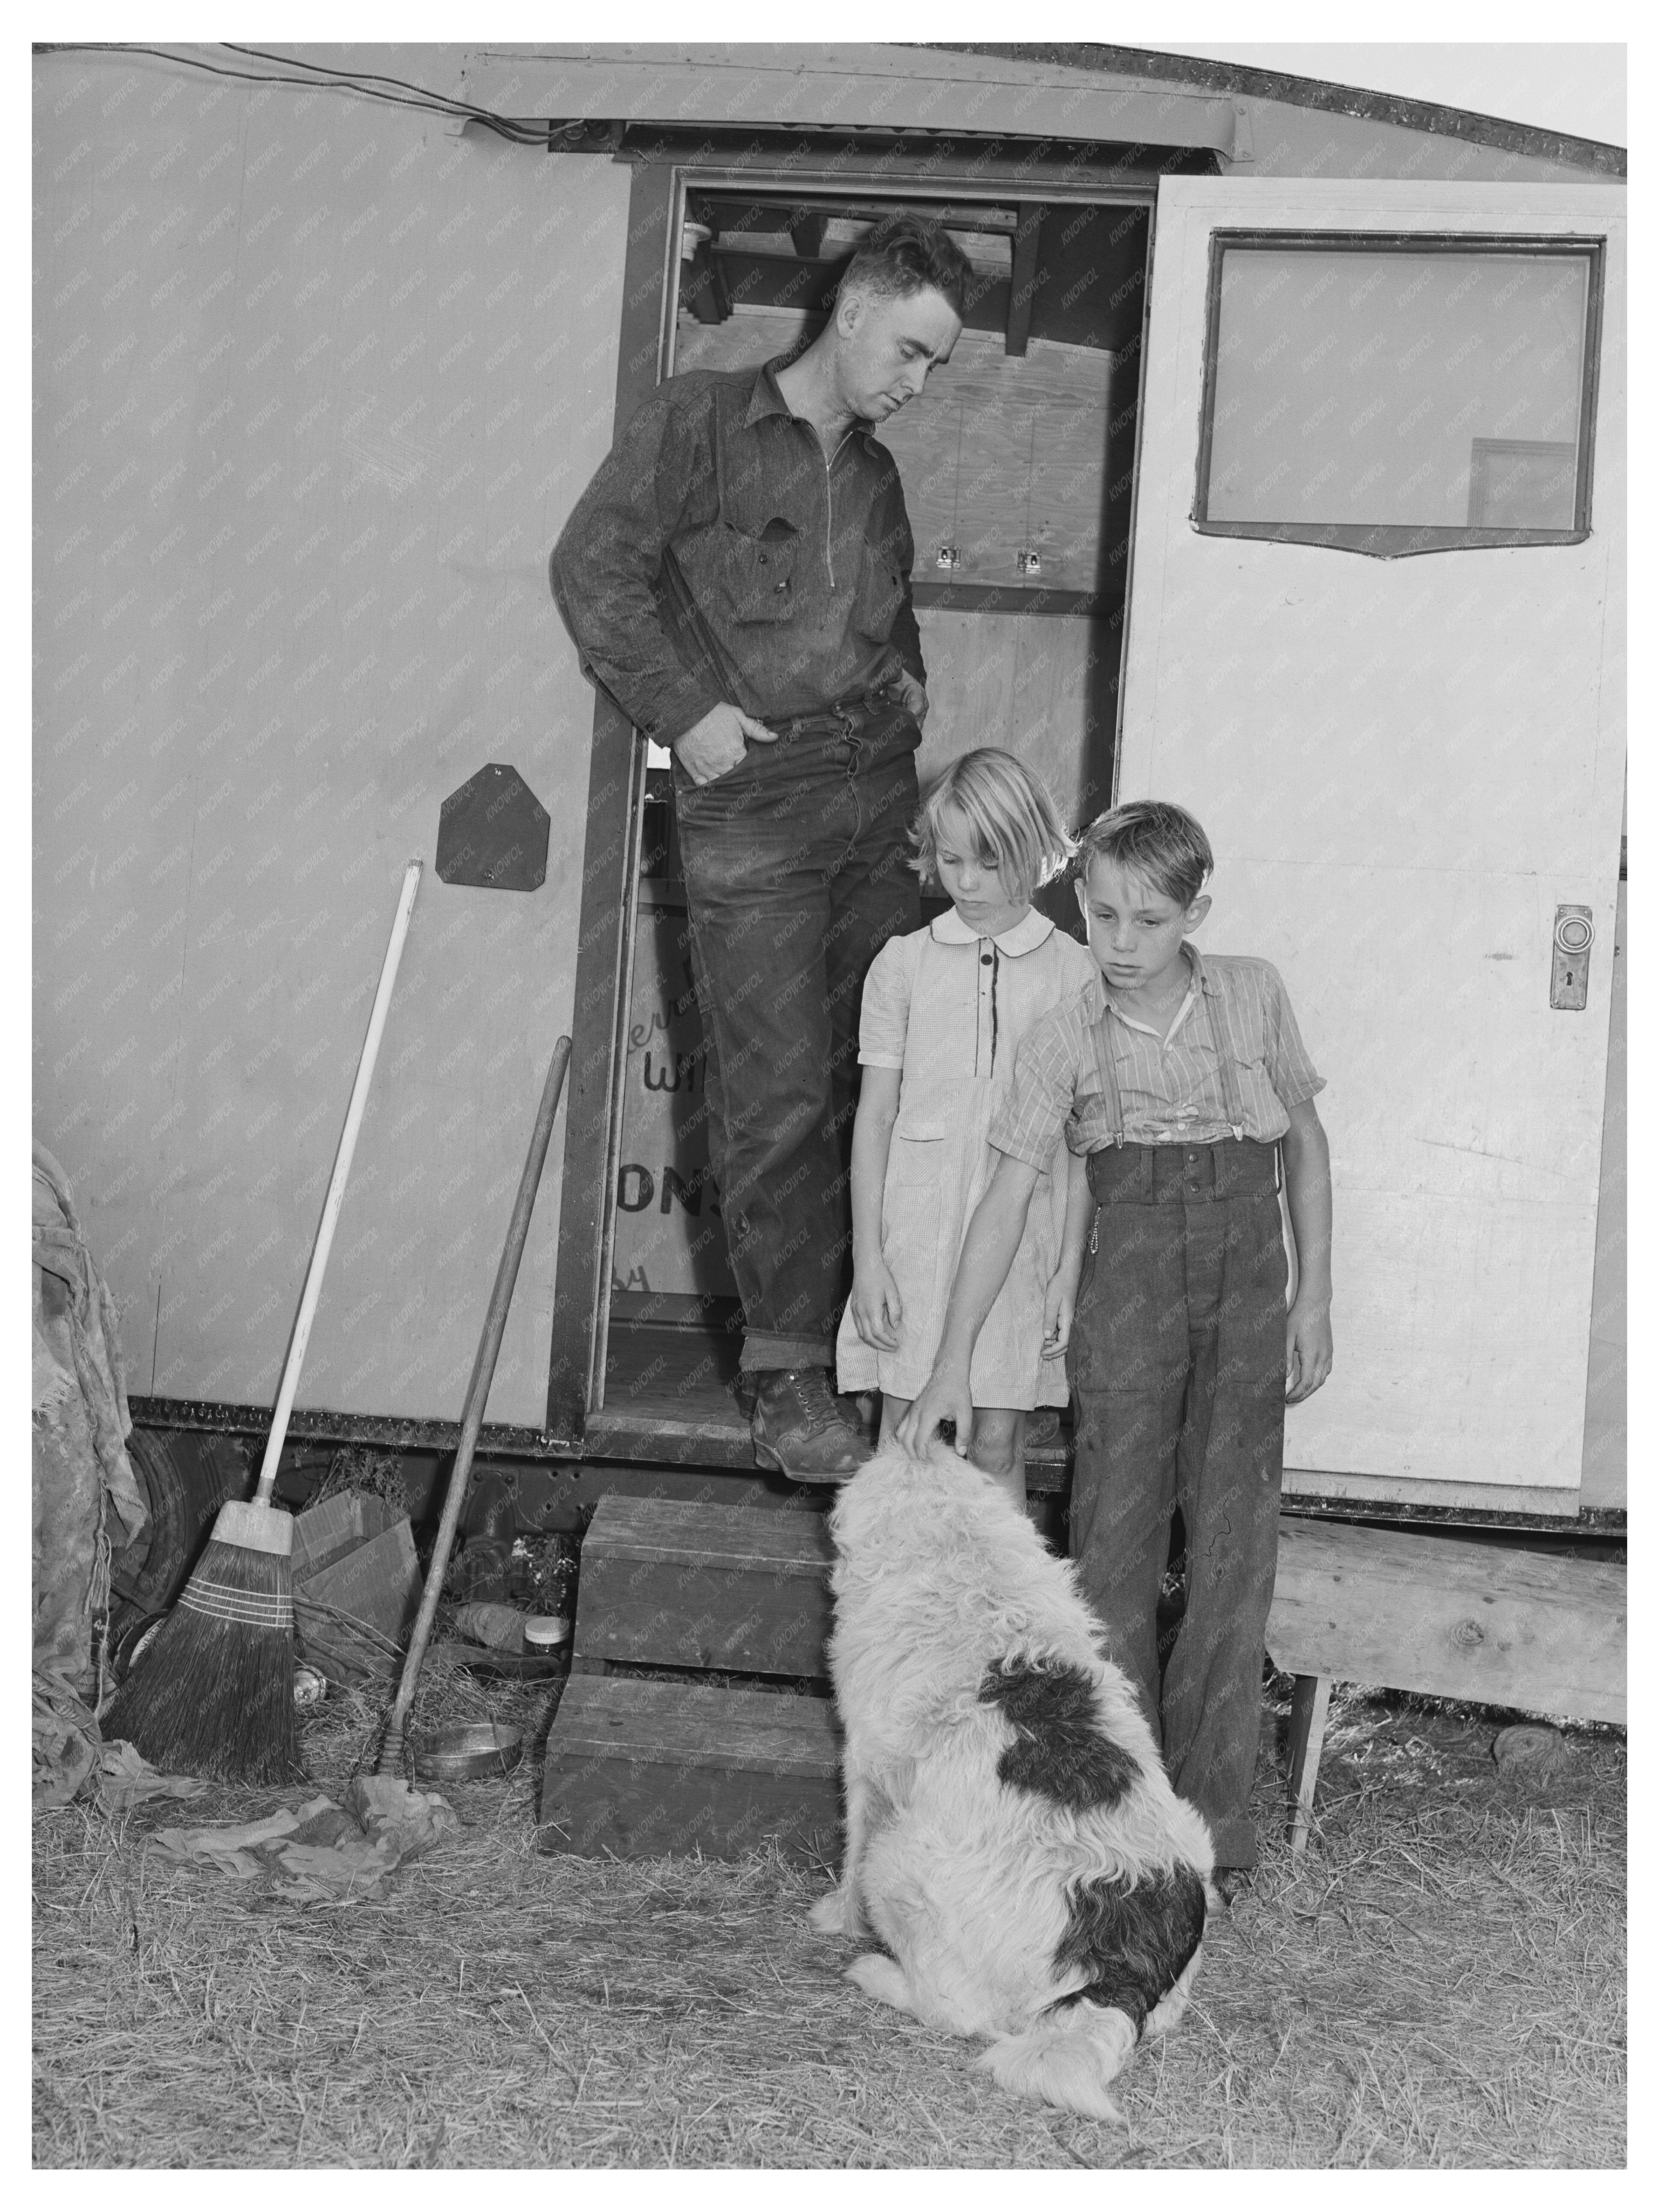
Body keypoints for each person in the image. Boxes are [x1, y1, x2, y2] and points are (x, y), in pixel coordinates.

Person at [551, 213, 970, 1482]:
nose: (914, 382)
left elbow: (895, 624)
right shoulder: (701, 423)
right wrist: (685, 715)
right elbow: (593, 570)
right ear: (850, 310)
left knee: (885, 1077)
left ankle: (872, 1346)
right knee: (779, 1099)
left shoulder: (877, 476)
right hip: (753, 804)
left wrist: (908, 693)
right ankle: (788, 1375)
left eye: (935, 366)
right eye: (908, 351)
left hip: (874, 797)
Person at [898, 800, 1334, 1880]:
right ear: (1078, 904)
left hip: (1245, 1269)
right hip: (1129, 1276)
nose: (1122, 942)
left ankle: (1214, 1823)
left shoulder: (1253, 990)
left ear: (1197, 912)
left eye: (1148, 919)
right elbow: (1005, 1197)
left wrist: (1315, 1295)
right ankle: (1120, 1811)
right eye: (1101, 916)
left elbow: (1307, 1147)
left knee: (1235, 1546)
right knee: (1112, 1546)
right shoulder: (1065, 1031)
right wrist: (950, 1361)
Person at [836, 750, 1097, 1509]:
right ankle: (899, 1618)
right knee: (904, 1434)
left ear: (1034, 850)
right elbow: (874, 1117)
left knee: (995, 1441)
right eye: (951, 859)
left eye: (991, 860)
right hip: (912, 1234)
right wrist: (869, 1259)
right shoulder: (901, 965)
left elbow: (1081, 1142)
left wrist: (1066, 1272)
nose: (969, 882)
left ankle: (997, 1622)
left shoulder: (1075, 973)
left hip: (1023, 1234)